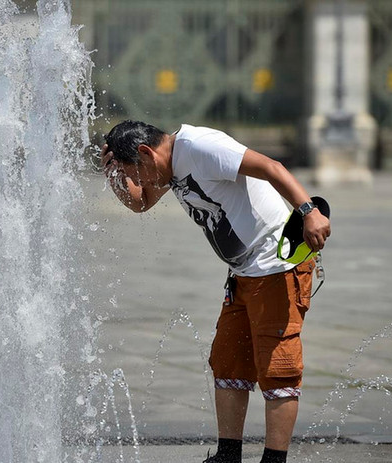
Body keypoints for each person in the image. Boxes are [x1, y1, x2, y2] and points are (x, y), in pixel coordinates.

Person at [100, 120, 331, 463]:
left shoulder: (201, 146)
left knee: (278, 367)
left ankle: (274, 459)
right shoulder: (169, 164)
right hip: (242, 274)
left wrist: (308, 212)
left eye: (137, 173)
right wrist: (114, 173)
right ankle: (227, 455)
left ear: (147, 153)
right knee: (228, 360)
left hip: (277, 266)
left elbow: (271, 167)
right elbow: (140, 203)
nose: (142, 183)